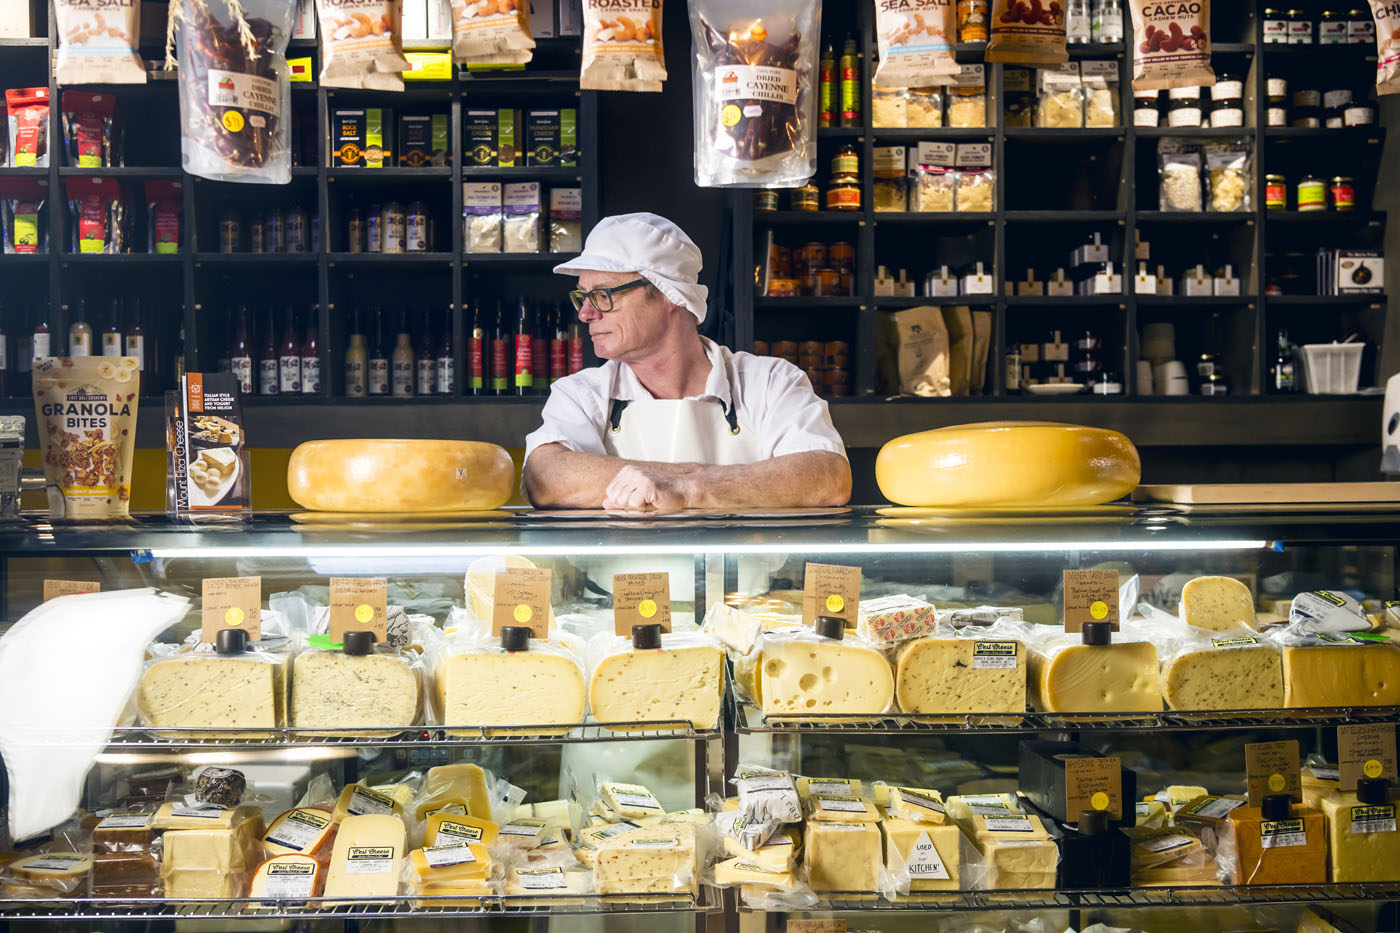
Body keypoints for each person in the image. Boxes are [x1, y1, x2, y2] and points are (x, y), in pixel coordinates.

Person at [523, 212, 851, 512]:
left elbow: (829, 477)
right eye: (583, 296)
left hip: (752, 580)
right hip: (618, 581)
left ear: (670, 295)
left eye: (604, 295)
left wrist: (687, 488)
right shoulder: (580, 393)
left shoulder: (771, 382)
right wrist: (685, 478)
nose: (585, 313)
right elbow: (546, 478)